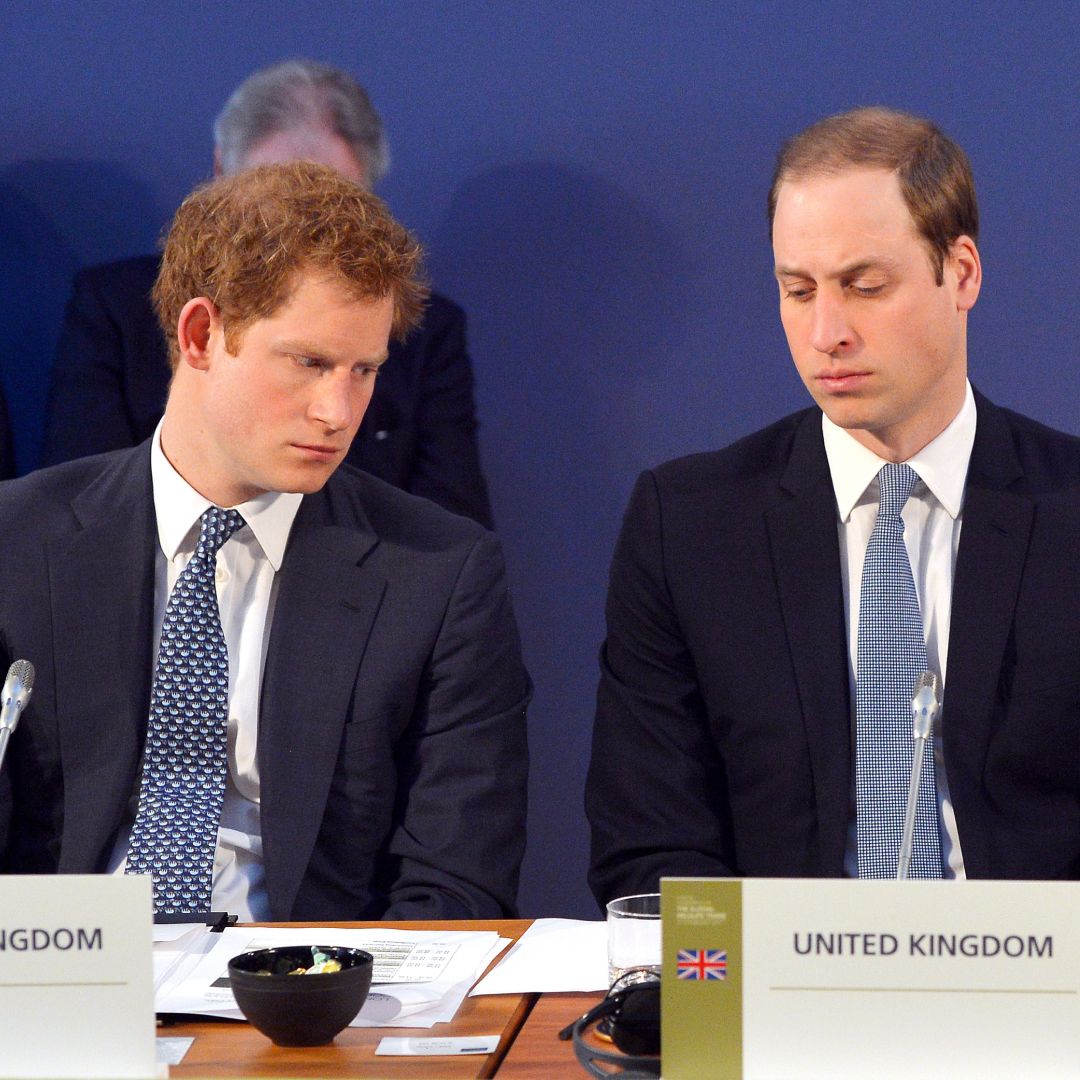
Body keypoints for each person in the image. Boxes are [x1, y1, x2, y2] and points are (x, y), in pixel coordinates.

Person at [0, 161, 530, 921]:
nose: (337, 411)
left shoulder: (439, 574)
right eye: (309, 363)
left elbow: (455, 887)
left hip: (307, 1002)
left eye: (364, 371)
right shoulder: (16, 544)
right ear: (201, 334)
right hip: (61, 986)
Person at [586, 107, 1080, 904]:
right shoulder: (689, 525)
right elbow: (648, 842)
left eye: (865, 286)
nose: (826, 333)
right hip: (780, 995)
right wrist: (740, 1001)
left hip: (1045, 995)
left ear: (962, 273)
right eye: (797, 290)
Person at [40, 59, 493, 528]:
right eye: (271, 200)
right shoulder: (115, 308)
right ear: (198, 335)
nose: (301, 231)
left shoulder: (420, 327)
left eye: (334, 207)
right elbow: (77, 509)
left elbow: (449, 538)